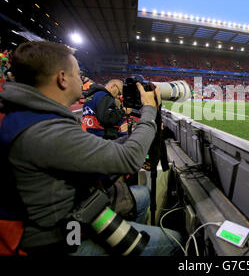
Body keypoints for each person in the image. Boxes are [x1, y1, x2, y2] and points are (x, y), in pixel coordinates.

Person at [0, 41, 181, 256]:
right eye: (78, 73)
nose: (83, 79)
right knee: (175, 241)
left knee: (141, 195)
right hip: (58, 240)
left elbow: (94, 149)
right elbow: (130, 159)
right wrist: (149, 111)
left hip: (64, 212)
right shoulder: (45, 130)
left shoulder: (30, 116)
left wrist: (131, 137)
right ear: (62, 78)